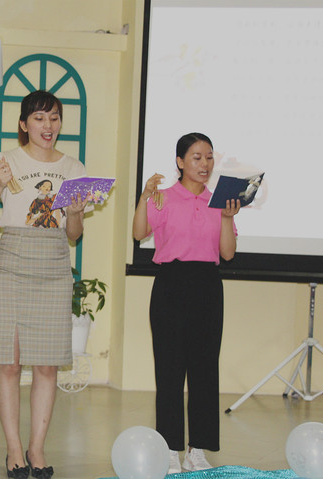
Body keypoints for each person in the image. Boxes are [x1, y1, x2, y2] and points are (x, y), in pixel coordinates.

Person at [0, 90, 89, 479]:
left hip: (54, 264)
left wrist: (76, 213)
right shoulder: (5, 160)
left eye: (54, 117)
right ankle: (13, 450)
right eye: (39, 118)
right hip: (13, 262)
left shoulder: (74, 167)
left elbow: (73, 234)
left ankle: (37, 449)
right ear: (24, 124)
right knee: (8, 361)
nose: (48, 125)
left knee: (47, 363)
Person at [132, 132, 240, 474]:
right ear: (180, 162)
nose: (204, 163)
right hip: (171, 285)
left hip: (208, 286)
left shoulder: (218, 201)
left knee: (205, 370)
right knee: (169, 370)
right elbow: (139, 233)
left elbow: (227, 253)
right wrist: (144, 198)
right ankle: (169, 449)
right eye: (196, 157)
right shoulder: (164, 197)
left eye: (209, 157)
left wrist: (226, 218)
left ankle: (198, 450)